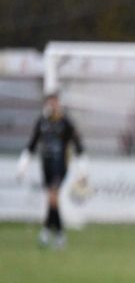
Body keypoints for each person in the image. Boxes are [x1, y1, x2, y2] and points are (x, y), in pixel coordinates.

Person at [18, 93, 86, 250]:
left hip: (61, 165)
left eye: (55, 102)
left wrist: (82, 169)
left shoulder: (66, 122)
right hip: (46, 165)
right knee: (51, 199)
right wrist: (22, 165)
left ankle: (58, 234)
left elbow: (78, 145)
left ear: (59, 103)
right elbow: (32, 145)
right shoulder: (42, 122)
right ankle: (48, 231)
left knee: (52, 197)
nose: (52, 105)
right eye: (50, 102)